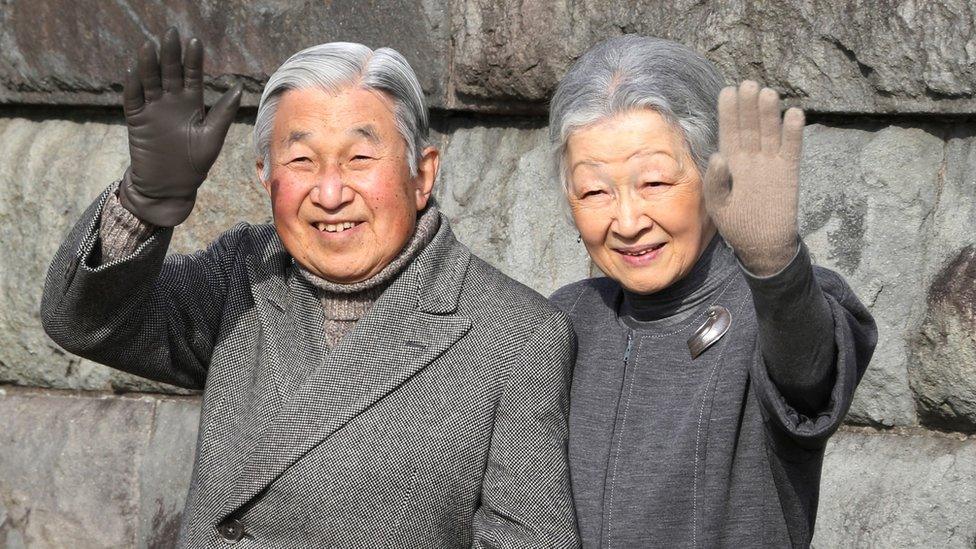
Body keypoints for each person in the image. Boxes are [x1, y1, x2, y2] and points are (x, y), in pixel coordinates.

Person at [41, 28, 580, 548]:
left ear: (422, 174)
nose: (329, 192)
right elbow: (82, 322)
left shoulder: (516, 336)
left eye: (360, 158)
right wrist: (144, 202)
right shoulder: (243, 275)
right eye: (301, 160)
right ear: (264, 177)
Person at [547, 35, 877, 548]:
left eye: (654, 183)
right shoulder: (562, 323)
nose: (628, 221)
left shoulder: (769, 307)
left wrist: (776, 269)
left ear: (712, 174)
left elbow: (809, 373)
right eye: (594, 191)